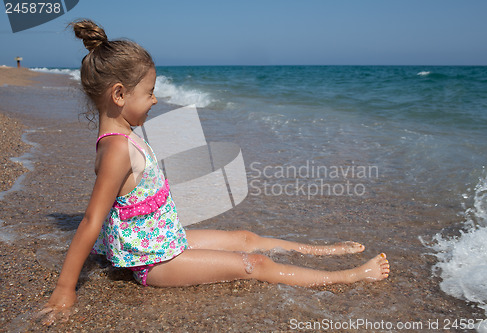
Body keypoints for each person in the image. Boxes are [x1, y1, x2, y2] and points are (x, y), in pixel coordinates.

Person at [38, 19, 390, 325]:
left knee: (245, 237)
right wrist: (64, 290)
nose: (155, 99)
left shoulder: (124, 135)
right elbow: (90, 221)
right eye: (149, 92)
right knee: (253, 263)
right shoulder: (116, 149)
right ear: (119, 94)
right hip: (154, 263)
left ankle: (324, 252)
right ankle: (352, 275)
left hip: (165, 240)